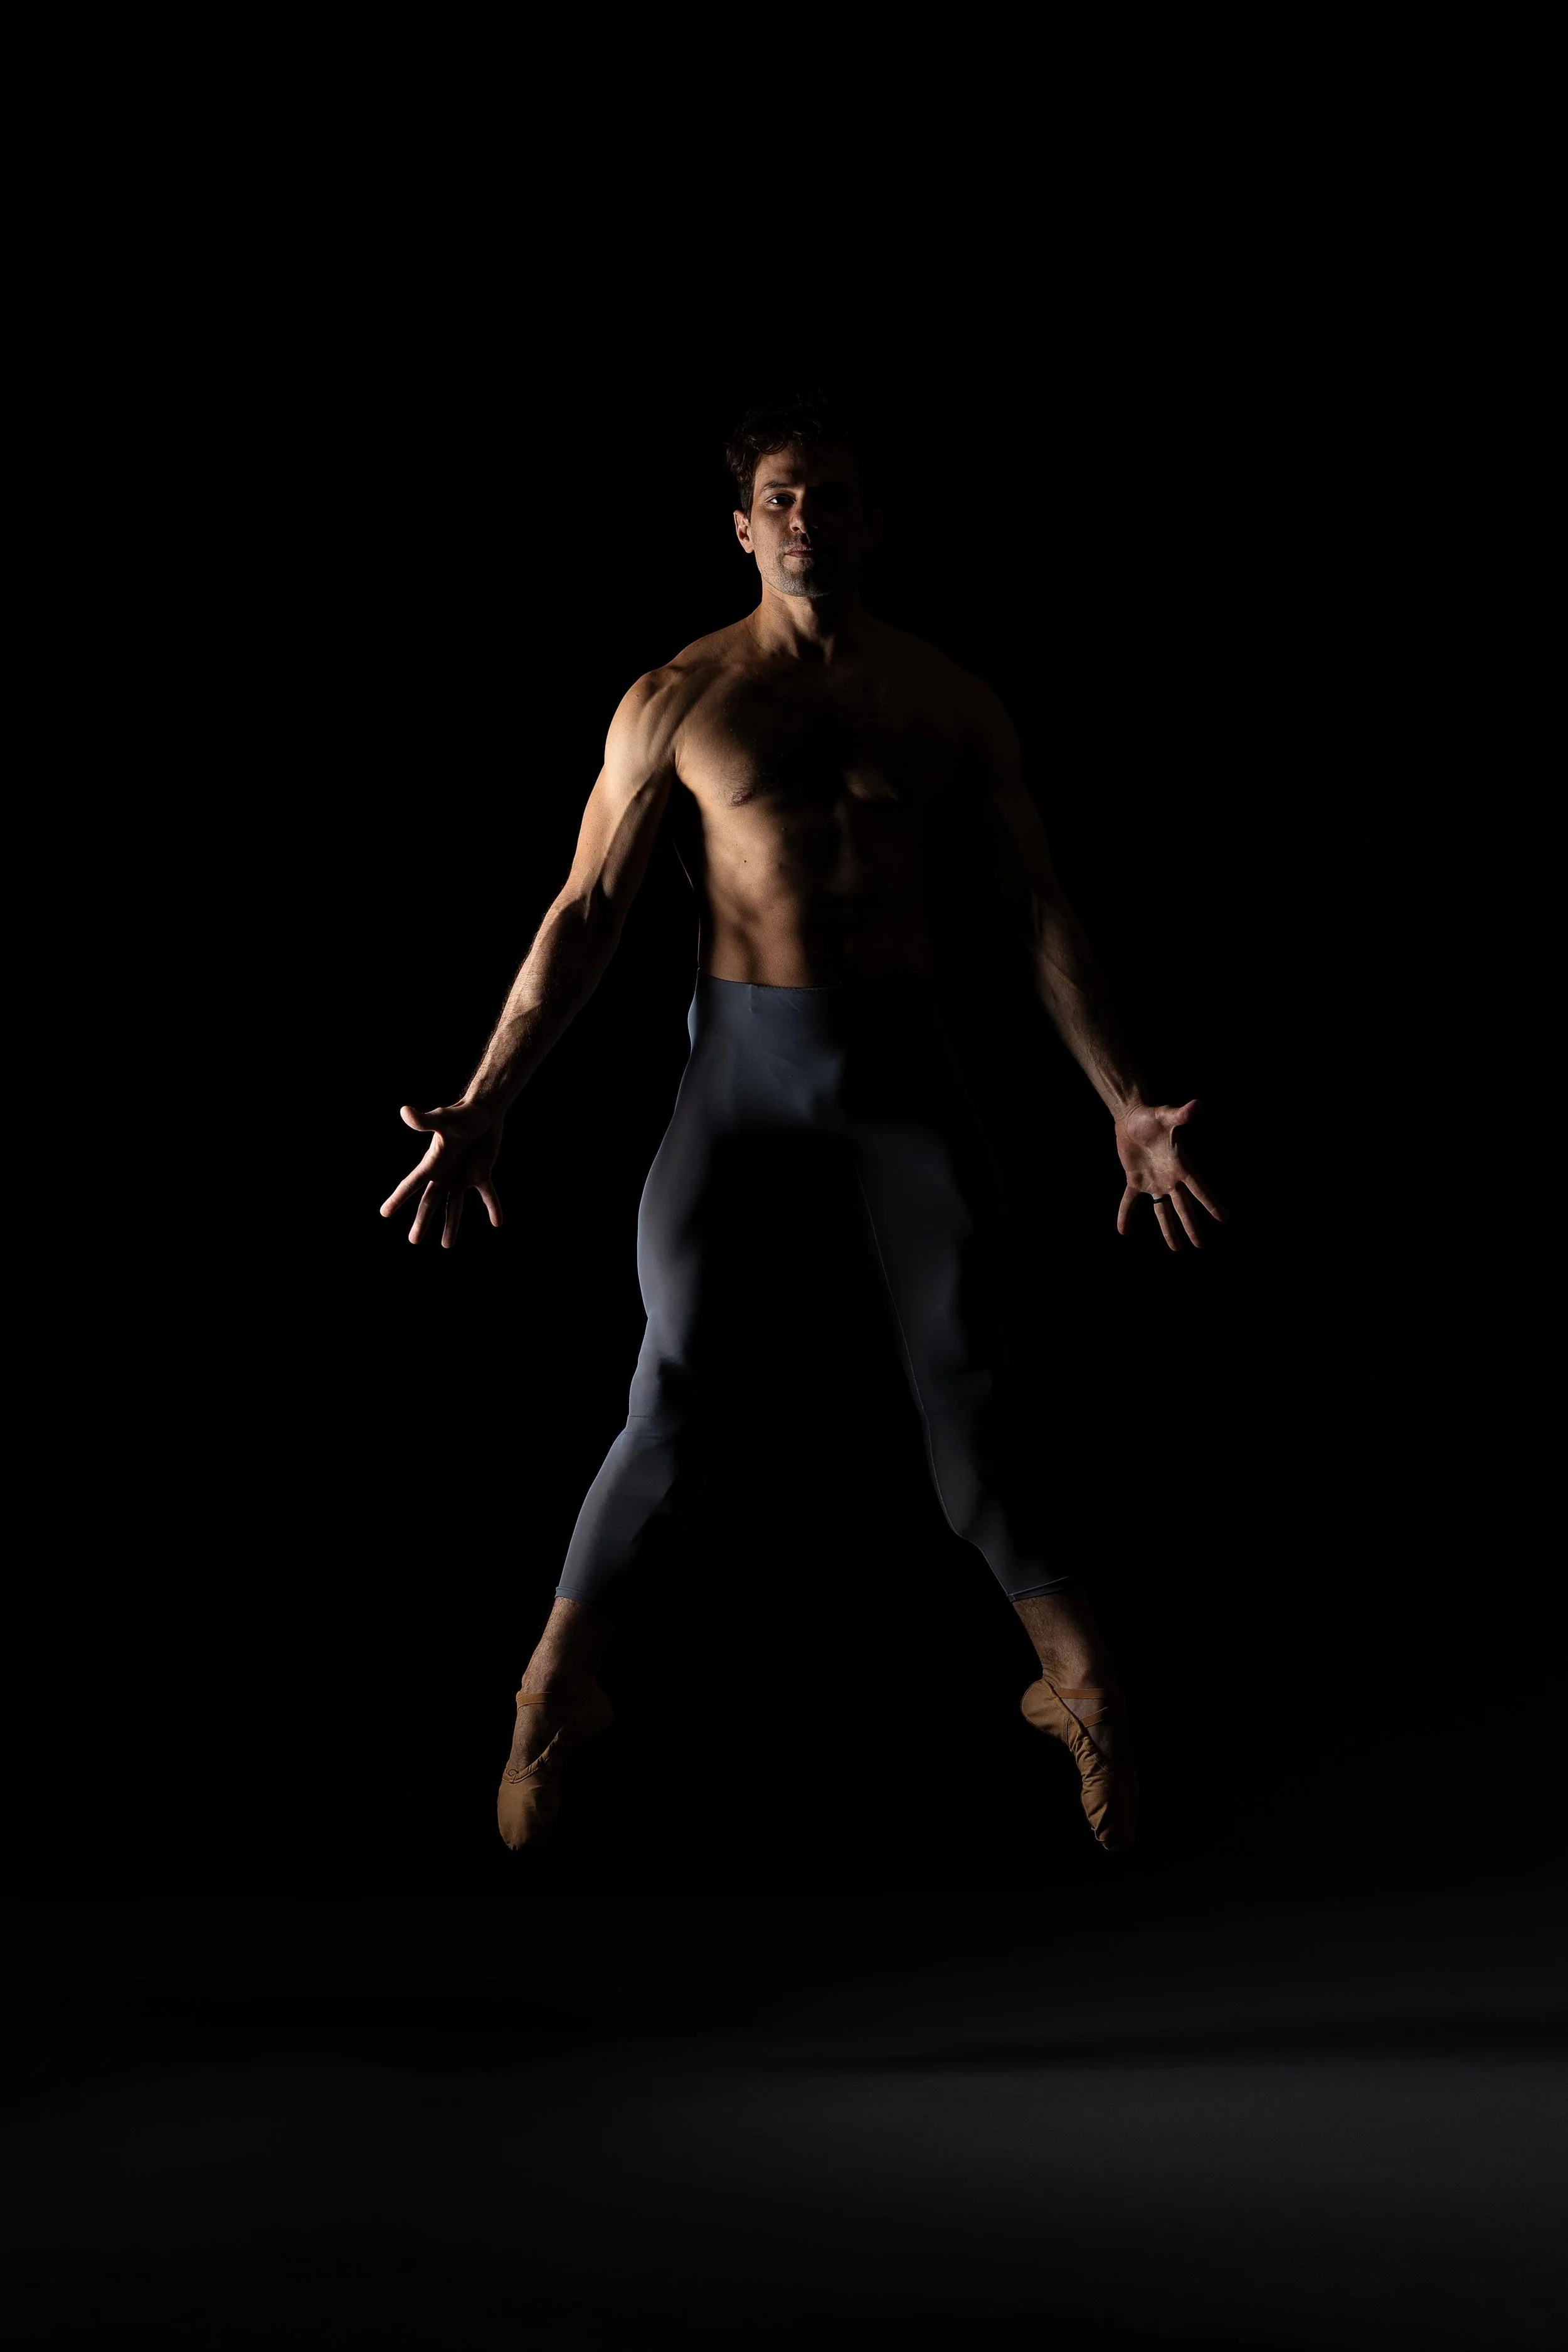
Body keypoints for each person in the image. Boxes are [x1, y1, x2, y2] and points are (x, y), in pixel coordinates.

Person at [379, 395, 1224, 1857]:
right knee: (674, 1387)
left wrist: (1120, 1102)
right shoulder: (677, 699)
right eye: (779, 498)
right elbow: (585, 912)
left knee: (965, 1387)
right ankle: (547, 1694)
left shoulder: (946, 698)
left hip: (904, 1066)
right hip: (742, 1079)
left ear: (868, 522)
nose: (802, 521)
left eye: (830, 497)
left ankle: (1081, 1688)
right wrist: (487, 1098)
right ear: (740, 525)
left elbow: (1034, 912)